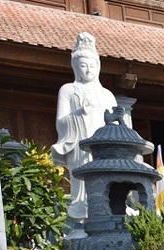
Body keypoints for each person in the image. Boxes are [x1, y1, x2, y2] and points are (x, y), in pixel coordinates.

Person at [50, 32, 117, 219]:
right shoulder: (68, 90)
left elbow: (117, 126)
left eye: (92, 66)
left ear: (98, 67)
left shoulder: (107, 95)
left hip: (103, 147)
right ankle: (80, 210)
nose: (88, 70)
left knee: (107, 180)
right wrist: (79, 114)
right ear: (76, 67)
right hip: (79, 144)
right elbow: (60, 122)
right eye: (83, 65)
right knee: (81, 182)